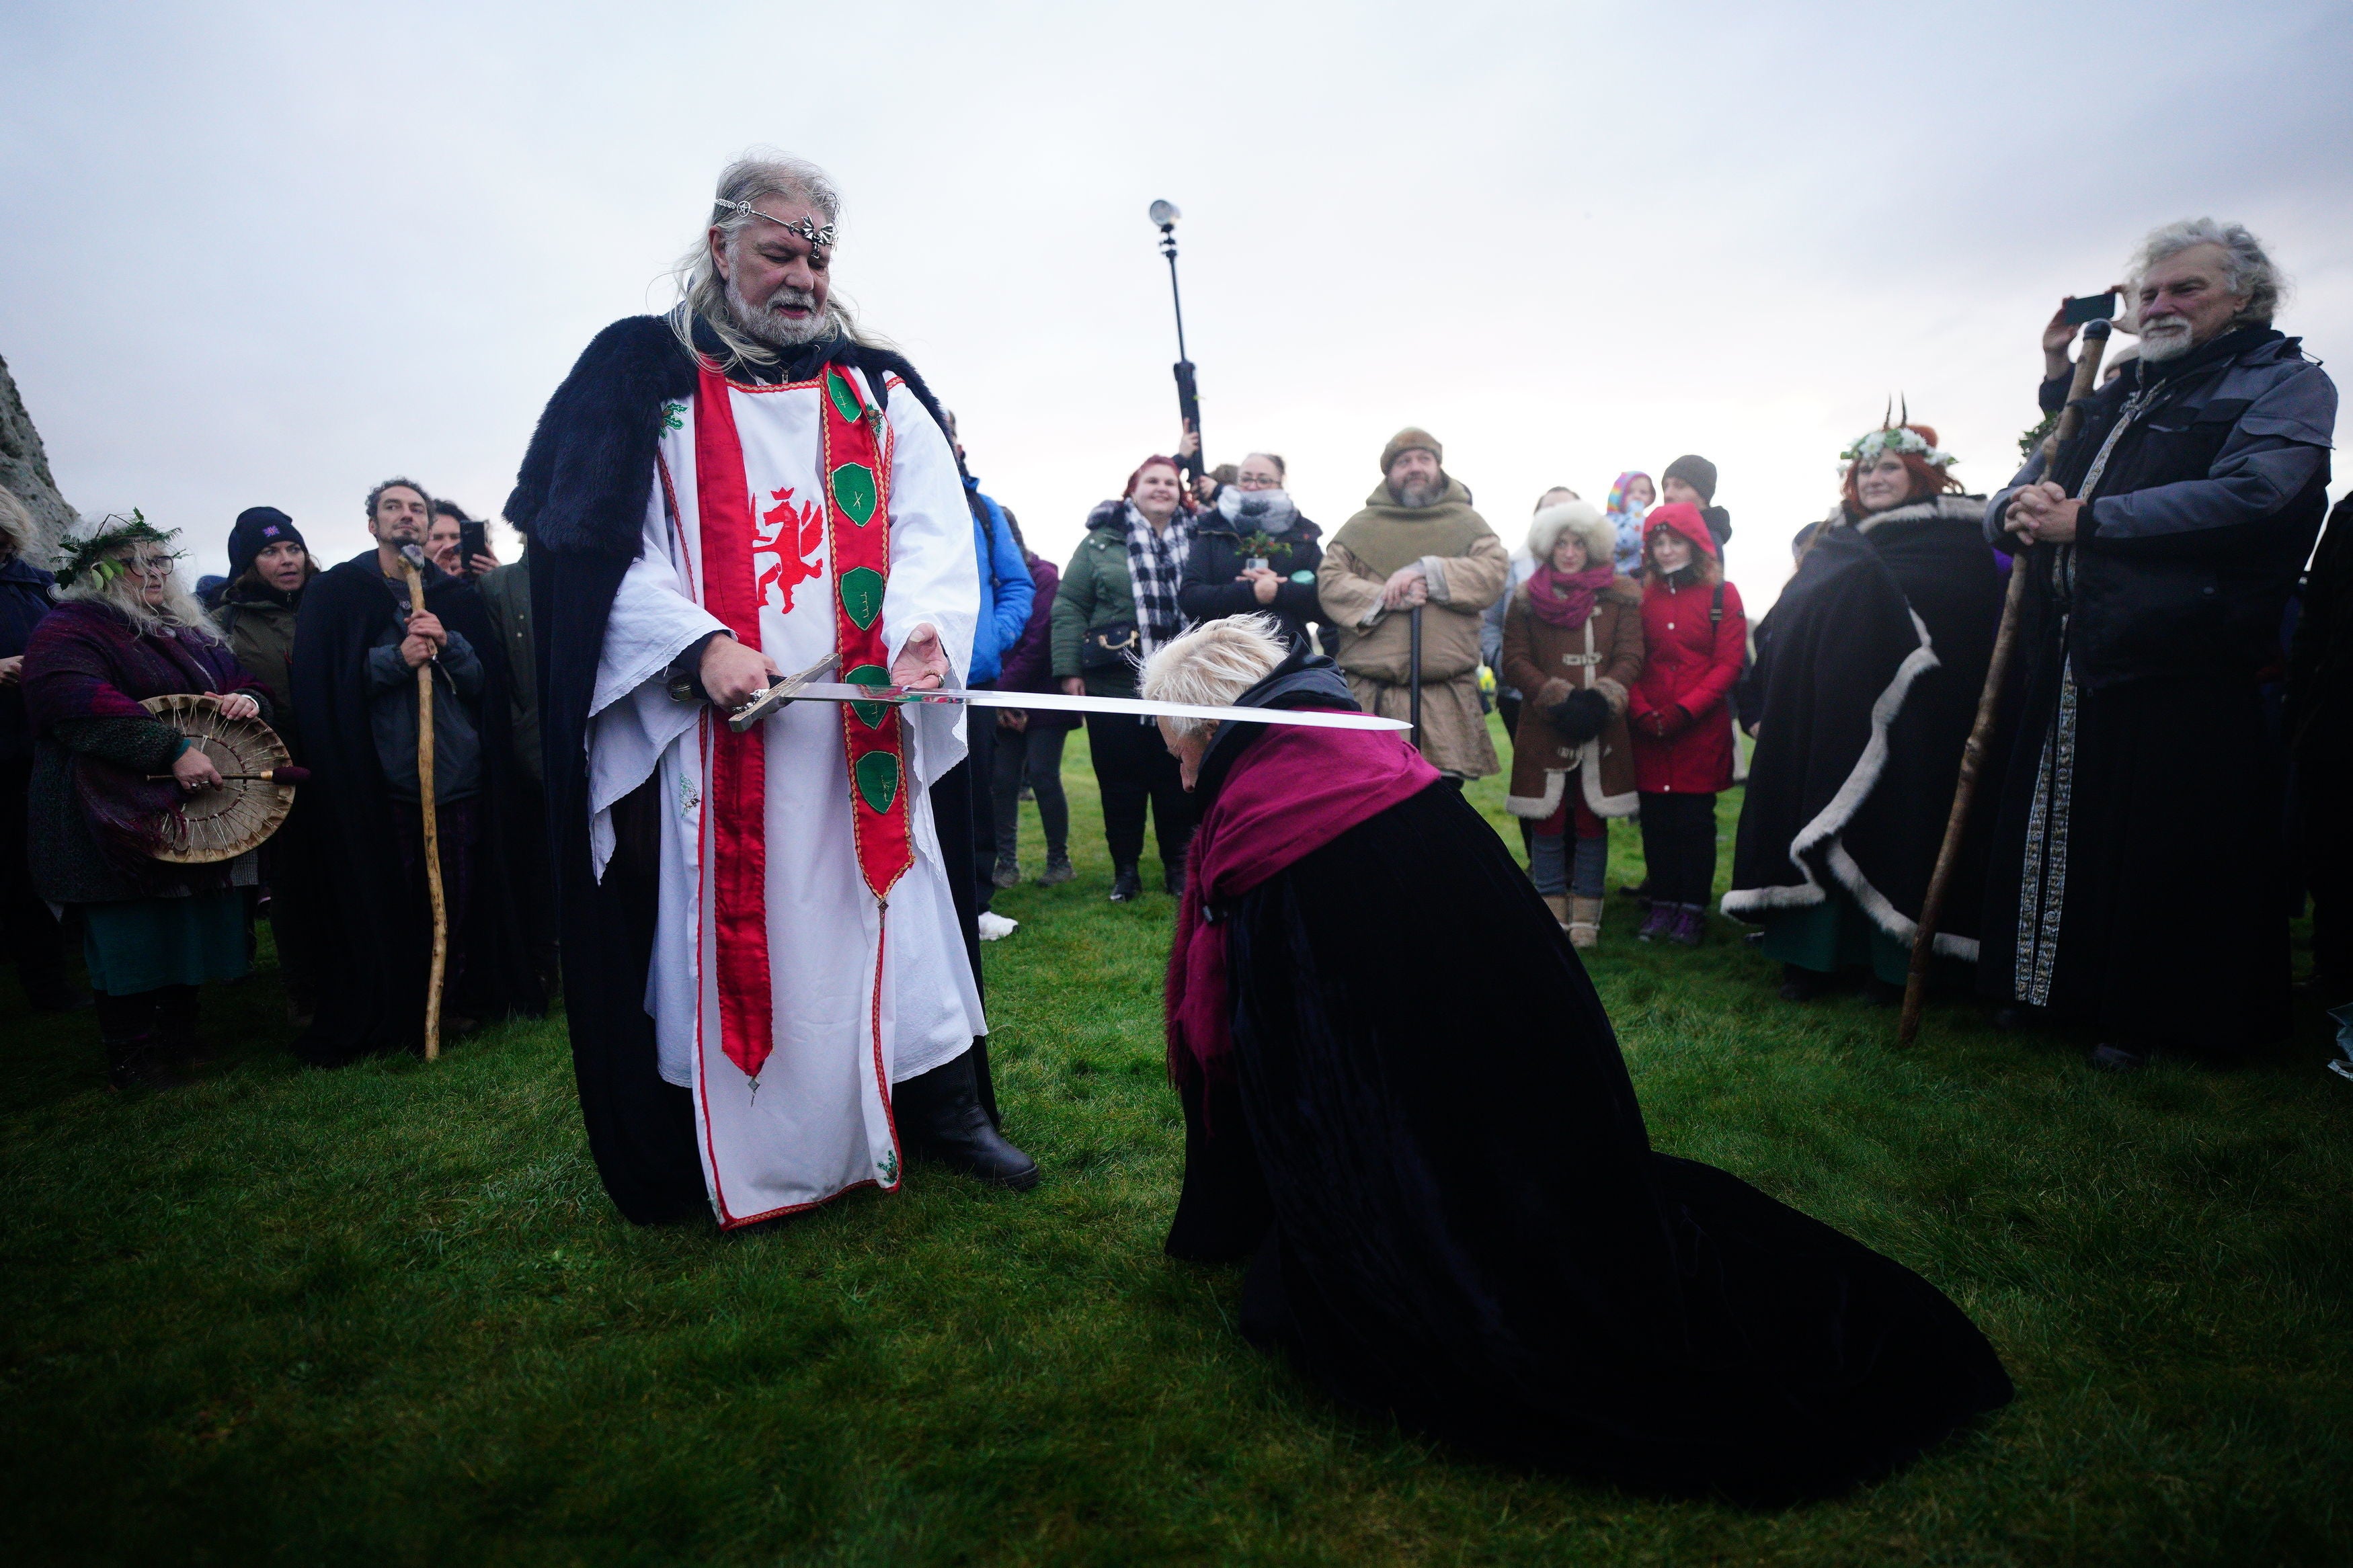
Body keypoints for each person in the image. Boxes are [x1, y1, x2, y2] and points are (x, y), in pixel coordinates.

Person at [1146, 615, 2011, 1502]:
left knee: (1493, 1295)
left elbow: (1313, 1064)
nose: (1182, 776)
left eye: (1183, 750)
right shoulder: (1367, 771)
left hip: (1451, 1151)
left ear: (1218, 730)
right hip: (1523, 1096)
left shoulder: (1278, 818)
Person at [504, 153, 1034, 1227]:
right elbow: (593, 544)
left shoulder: (875, 386)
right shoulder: (639, 376)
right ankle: (754, 1128)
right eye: (778, 251)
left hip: (864, 731)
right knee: (751, 931)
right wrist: (699, 646)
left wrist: (920, 640)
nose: (803, 275)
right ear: (720, 248)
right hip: (726, 738)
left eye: (817, 254)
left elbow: (933, 528)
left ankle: (935, 1103)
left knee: (909, 912)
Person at [1984, 219, 2337, 1069]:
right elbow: (2029, 481)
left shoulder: (2282, 383)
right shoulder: (2114, 388)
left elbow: (2258, 494)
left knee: (2164, 850)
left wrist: (2087, 520)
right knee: (2061, 830)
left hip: (2187, 656)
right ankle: (2046, 991)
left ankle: (2147, 1017)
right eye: (2149, 291)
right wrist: (2016, 510)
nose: (2160, 303)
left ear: (2244, 296)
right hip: (2076, 649)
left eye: (2186, 288)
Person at [1725, 424, 2003, 1002]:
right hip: (1825, 716)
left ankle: (1890, 965)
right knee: (1819, 816)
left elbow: (1969, 628)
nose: (1874, 480)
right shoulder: (1834, 541)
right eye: (1866, 471)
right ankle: (1814, 959)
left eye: (1889, 469)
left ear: (1921, 474)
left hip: (1916, 721)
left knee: (1898, 829)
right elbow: (1790, 623)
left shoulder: (1956, 540)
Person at [292, 477, 545, 1065]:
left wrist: (449, 644)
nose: (406, 517)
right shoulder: (339, 593)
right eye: (393, 508)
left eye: (416, 509)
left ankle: (448, 999)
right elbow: (325, 690)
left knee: (455, 899)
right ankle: (397, 1008)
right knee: (390, 900)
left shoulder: (454, 597)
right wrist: (395, 659)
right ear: (372, 522)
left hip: (457, 780)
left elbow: (487, 686)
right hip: (382, 785)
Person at [22, 516, 270, 1088]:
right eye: (138, 561)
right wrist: (169, 748)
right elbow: (74, 697)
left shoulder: (186, 631)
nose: (154, 571)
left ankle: (181, 1032)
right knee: (129, 932)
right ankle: (132, 1052)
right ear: (102, 571)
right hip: (105, 811)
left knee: (186, 919)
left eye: (161, 561)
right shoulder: (71, 627)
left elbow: (245, 679)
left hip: (187, 809)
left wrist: (247, 700)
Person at [1316, 428, 1507, 780]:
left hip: (1445, 700)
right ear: (1389, 473)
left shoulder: (1469, 524)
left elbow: (1492, 572)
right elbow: (1331, 581)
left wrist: (1429, 570)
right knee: (1372, 807)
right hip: (1372, 698)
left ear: (1439, 467)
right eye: (1404, 462)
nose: (1415, 468)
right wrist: (1387, 596)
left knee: (1441, 809)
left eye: (1424, 459)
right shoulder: (1360, 527)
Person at [1053, 454, 1200, 901]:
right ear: (1132, 490)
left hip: (1184, 688)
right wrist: (1068, 670)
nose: (1161, 488)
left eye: (1170, 482)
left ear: (1181, 492)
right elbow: (1069, 606)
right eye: (1151, 481)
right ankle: (1126, 872)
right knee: (1121, 784)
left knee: (1178, 781)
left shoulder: (1200, 539)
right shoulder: (1100, 543)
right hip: (1117, 683)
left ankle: (1179, 869)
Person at [1501, 499, 1642, 946]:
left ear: (1592, 546)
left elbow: (1631, 654)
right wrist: (1555, 698)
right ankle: (1549, 909)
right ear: (1547, 546)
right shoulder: (1525, 599)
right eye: (1560, 543)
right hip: (1547, 724)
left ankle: (1586, 916)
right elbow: (1514, 659)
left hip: (1603, 725)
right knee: (1547, 816)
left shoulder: (1621, 595)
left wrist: (1602, 698)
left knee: (1591, 817)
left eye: (1577, 542)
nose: (1568, 552)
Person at [212, 505, 327, 1022]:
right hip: (275, 767)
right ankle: (305, 988)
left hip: (345, 756)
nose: (287, 560)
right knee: (294, 881)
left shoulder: (332, 600)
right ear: (248, 562)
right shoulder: (225, 623)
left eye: (293, 548)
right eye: (271, 550)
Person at [1626, 503, 1746, 945]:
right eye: (1658, 543)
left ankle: (1692, 908)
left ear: (1695, 545)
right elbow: (1629, 657)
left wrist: (1685, 710)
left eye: (1675, 541)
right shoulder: (1639, 595)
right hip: (1649, 727)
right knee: (1656, 821)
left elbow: (1729, 663)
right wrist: (1638, 708)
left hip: (1698, 728)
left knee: (1695, 822)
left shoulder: (1723, 594)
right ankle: (1661, 904)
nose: (1667, 550)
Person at [942, 410, 1034, 940]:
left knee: (975, 792)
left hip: (972, 679)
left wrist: (989, 642)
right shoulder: (874, 498)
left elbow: (1018, 585)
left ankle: (975, 906)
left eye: (948, 430)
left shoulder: (984, 508)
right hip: (894, 678)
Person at [0, 485, 77, 1012]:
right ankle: (42, 984)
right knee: (11, 870)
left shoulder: (42, 586)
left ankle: (64, 973)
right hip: (3, 751)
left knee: (57, 859)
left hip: (46, 744)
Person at [473, 540, 559, 994]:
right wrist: (524, 739)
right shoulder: (498, 585)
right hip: (527, 750)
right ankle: (545, 961)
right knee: (537, 864)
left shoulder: (588, 577)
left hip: (591, 741)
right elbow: (496, 675)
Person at [2287, 493, 2353, 1009]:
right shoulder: (2350, 513)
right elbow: (2318, 618)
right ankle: (2336, 974)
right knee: (2332, 849)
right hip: (2338, 711)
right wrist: (2300, 709)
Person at [991, 529, 1076, 887]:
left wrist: (1002, 693)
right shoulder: (986, 580)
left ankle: (1059, 861)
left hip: (1043, 695)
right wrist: (999, 699)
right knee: (1003, 780)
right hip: (1001, 697)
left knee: (1043, 776)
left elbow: (1039, 642)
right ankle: (1005, 864)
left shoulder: (1045, 578)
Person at [1177, 451, 1325, 651]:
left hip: (1288, 658)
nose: (1253, 486)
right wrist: (1250, 593)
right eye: (1246, 479)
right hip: (1222, 656)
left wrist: (1279, 591)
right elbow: (1190, 598)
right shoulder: (1213, 527)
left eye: (1263, 480)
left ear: (1280, 483)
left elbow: (1327, 603)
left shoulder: (1302, 533)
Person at [1482, 485, 1576, 743]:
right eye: (1549, 510)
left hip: (1579, 695)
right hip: (1518, 695)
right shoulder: (1511, 568)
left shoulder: (1598, 574)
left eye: (1565, 510)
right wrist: (1505, 666)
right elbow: (1488, 624)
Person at [1660, 454, 1734, 551]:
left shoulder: (1701, 547)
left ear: (1703, 495)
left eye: (1680, 486)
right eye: (1666, 487)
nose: (1667, 495)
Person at [428, 499, 499, 580]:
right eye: (437, 538)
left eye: (455, 537)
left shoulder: (490, 582)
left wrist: (501, 582)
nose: (449, 545)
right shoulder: (413, 587)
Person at [1603, 471, 1654, 576]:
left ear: (1650, 498)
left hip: (1641, 578)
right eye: (1630, 492)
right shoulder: (1611, 521)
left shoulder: (1648, 521)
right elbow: (1630, 542)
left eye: (1643, 492)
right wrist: (1636, 509)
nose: (1637, 496)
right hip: (1616, 577)